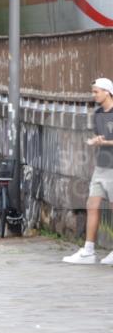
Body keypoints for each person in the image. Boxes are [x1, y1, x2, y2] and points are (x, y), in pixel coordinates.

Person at [63, 77, 113, 265]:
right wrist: (96, 140)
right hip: (101, 167)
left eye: (96, 92)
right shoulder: (98, 113)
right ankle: (88, 251)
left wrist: (105, 142)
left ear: (107, 92)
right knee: (92, 204)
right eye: (93, 92)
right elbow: (99, 136)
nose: (94, 95)